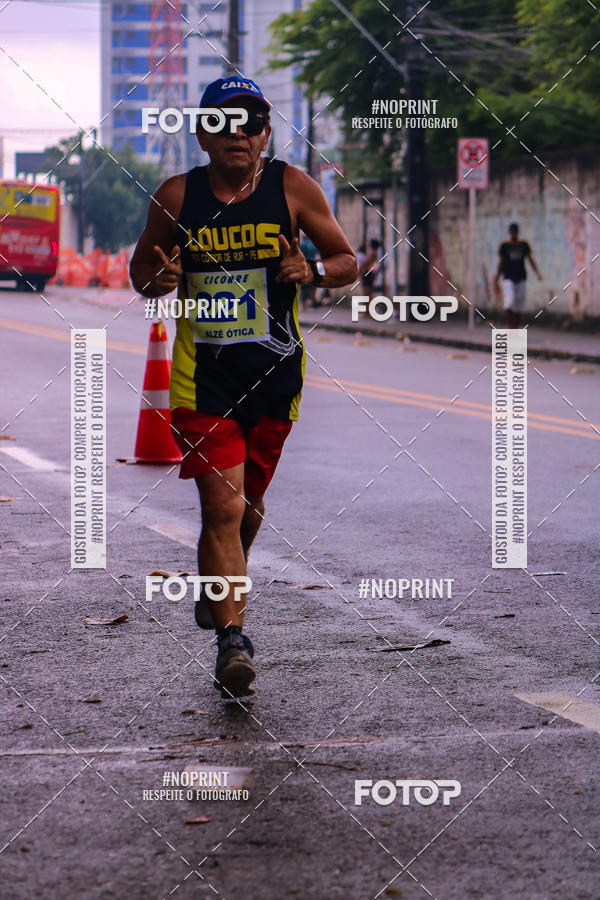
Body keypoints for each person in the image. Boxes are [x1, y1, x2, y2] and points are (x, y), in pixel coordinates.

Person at [130, 76, 357, 699]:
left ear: (265, 135)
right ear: (203, 135)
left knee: (248, 507)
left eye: (252, 124)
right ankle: (233, 640)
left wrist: (308, 269)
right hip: (201, 375)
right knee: (223, 508)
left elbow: (348, 261)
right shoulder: (179, 195)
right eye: (225, 123)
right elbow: (140, 271)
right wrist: (161, 275)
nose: (240, 134)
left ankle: (218, 588)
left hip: (275, 374)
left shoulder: (293, 187)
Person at [494, 222, 542, 328]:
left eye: (515, 231)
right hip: (508, 278)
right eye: (512, 231)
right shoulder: (505, 246)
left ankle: (516, 326)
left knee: (520, 303)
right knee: (509, 301)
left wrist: (537, 272)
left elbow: (530, 259)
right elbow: (501, 263)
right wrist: (496, 278)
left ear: (517, 232)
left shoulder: (523, 244)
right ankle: (510, 324)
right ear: (510, 232)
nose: (514, 233)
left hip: (521, 277)